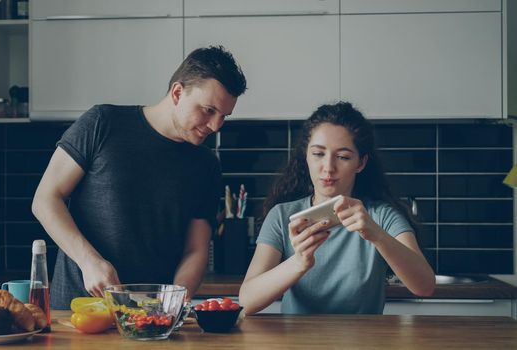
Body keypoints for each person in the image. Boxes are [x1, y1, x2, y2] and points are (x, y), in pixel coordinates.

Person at [32, 46, 247, 309]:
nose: (215, 126)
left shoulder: (206, 165)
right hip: (80, 309)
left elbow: (196, 248)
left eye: (224, 116)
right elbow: (45, 199)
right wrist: (89, 261)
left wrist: (176, 299)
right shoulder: (102, 123)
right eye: (208, 110)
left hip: (153, 317)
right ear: (178, 93)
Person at [239, 102, 435, 315]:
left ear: (360, 163)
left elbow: (424, 286)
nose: (328, 168)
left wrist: (376, 234)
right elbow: (247, 301)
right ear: (306, 156)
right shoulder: (281, 216)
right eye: (318, 154)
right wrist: (299, 262)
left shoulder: (382, 216)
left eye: (343, 157)